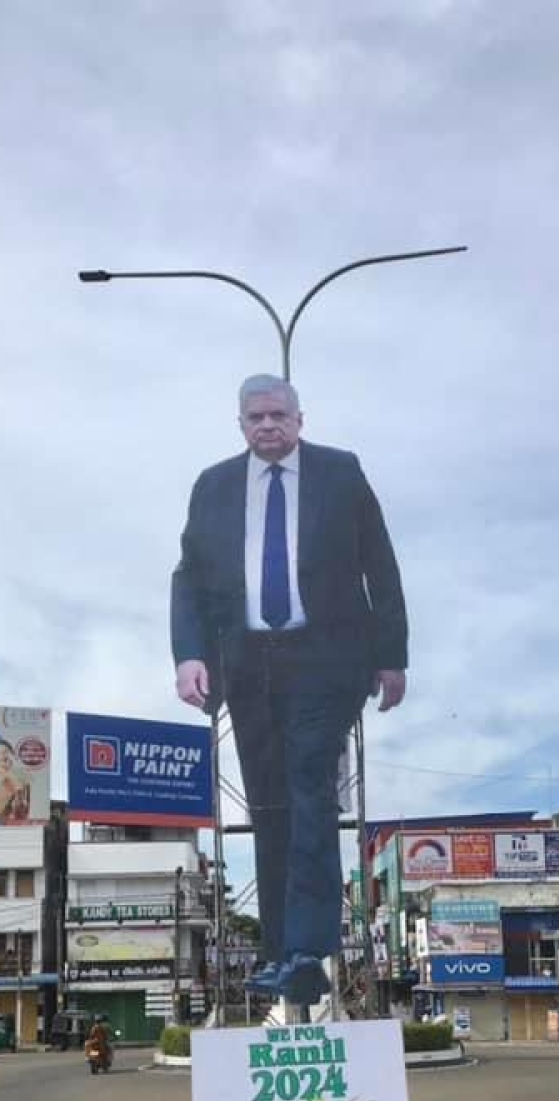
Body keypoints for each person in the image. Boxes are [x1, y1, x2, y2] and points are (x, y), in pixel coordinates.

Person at [171, 374, 408, 1006]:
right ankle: (281, 954)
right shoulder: (214, 486)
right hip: (246, 665)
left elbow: (378, 563)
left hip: (323, 660)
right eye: (256, 417)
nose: (268, 426)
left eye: (279, 415)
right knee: (269, 806)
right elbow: (188, 579)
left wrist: (391, 658)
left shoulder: (340, 472)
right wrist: (189, 655)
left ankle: (308, 946)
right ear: (241, 425)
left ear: (300, 419)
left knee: (310, 788)